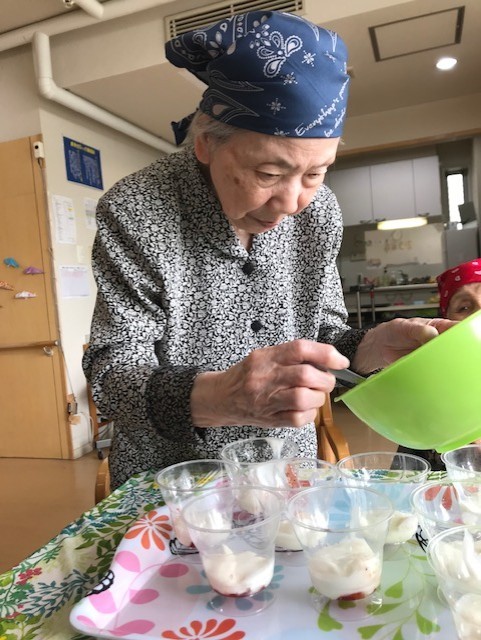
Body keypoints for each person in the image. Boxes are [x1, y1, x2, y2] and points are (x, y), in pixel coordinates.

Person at [83, 10, 453, 490]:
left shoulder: (321, 212)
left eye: (315, 173)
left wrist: (368, 347)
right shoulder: (137, 210)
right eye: (269, 174)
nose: (293, 202)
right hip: (173, 481)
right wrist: (220, 395)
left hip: (286, 473)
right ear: (206, 144)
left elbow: (321, 333)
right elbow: (112, 375)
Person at [398, 258, 481, 469]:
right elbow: (408, 473)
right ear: (446, 321)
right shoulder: (431, 387)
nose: (478, 313)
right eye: (464, 307)